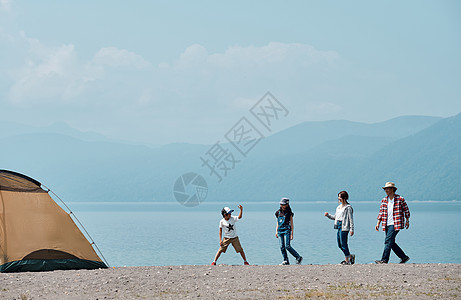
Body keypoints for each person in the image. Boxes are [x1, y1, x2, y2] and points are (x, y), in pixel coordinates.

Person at [375, 182, 410, 264]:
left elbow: (406, 210)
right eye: (385, 189)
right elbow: (381, 212)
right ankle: (404, 257)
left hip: (396, 223)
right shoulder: (384, 200)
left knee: (388, 241)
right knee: (391, 242)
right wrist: (378, 223)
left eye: (387, 189)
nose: (386, 190)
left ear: (392, 189)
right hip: (386, 223)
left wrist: (407, 221)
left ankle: (384, 260)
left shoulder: (400, 199)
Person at [324, 191, 355, 265]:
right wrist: (328, 215)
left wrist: (352, 229)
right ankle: (350, 256)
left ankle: (347, 260)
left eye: (340, 197)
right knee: (339, 245)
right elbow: (335, 217)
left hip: (344, 227)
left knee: (344, 244)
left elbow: (351, 219)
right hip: (338, 225)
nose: (338, 198)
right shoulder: (338, 207)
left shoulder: (348, 208)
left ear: (344, 198)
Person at [275, 198, 303, 265]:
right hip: (280, 230)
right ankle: (285, 260)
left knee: (287, 246)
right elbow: (277, 222)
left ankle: (298, 257)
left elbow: (292, 224)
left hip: (287, 229)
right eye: (281, 204)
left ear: (287, 205)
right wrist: (276, 231)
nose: (282, 206)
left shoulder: (289, 213)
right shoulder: (278, 212)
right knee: (281, 246)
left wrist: (292, 233)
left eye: (283, 204)